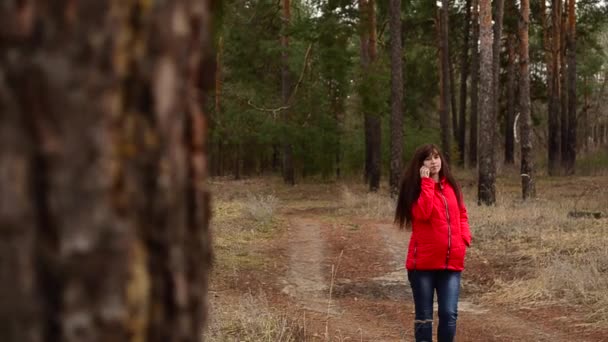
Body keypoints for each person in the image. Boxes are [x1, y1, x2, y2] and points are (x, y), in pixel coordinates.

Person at [394, 144, 472, 342]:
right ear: (421, 165)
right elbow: (423, 213)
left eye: (436, 157)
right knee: (424, 318)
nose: (434, 162)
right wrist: (427, 183)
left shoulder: (452, 185)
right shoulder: (414, 189)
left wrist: (464, 238)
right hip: (423, 266)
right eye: (428, 159)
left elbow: (462, 214)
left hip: (451, 263)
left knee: (449, 314)